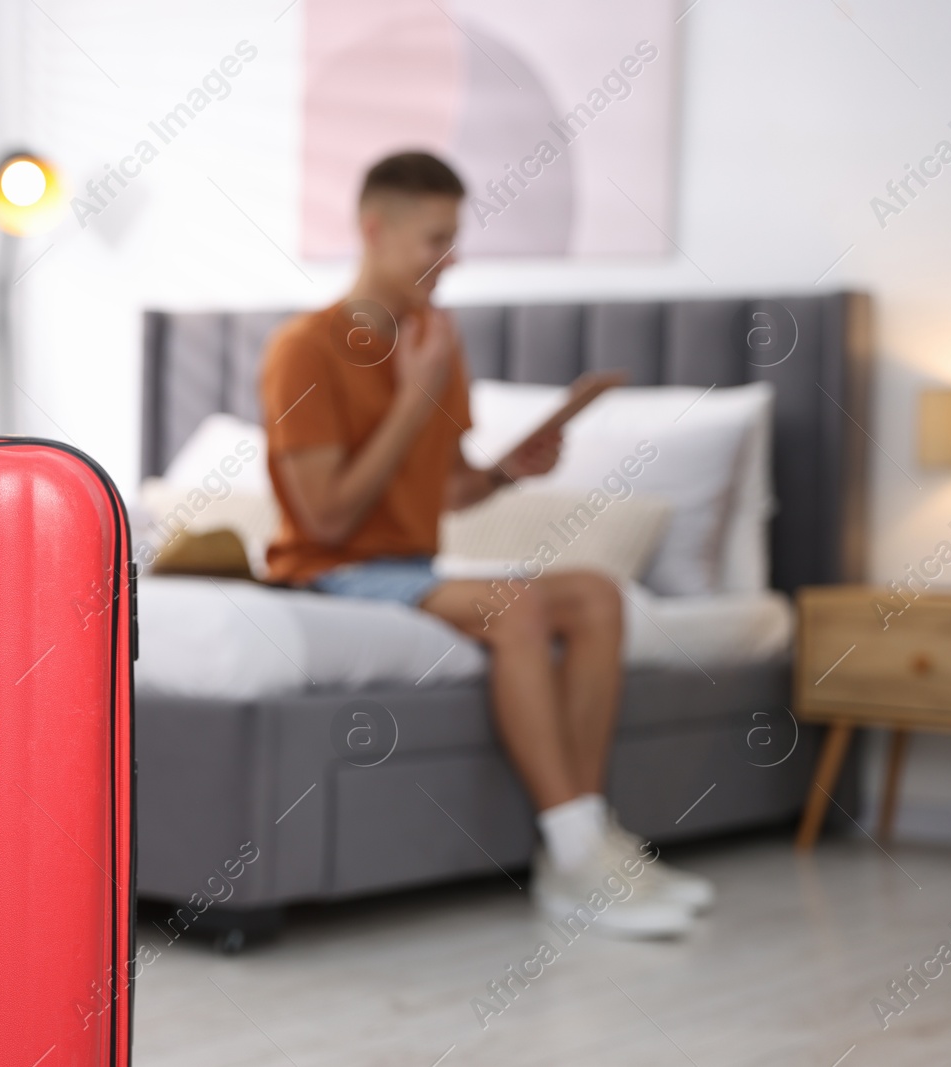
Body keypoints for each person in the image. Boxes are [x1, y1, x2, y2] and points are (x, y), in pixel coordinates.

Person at [259, 151, 712, 938]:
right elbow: (327, 517)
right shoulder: (306, 349)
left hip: (410, 567)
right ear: (375, 230)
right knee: (517, 604)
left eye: (455, 237)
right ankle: (572, 855)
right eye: (433, 238)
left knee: (598, 594)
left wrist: (506, 472)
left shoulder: (434, 341)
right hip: (331, 572)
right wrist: (413, 398)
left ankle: (589, 839)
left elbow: (446, 490)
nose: (450, 258)